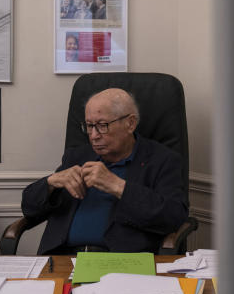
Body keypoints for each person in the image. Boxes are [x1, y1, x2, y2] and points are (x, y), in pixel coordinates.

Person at [21, 88, 188, 254]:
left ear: (130, 123)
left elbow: (173, 217)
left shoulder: (162, 160)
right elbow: (29, 208)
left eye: (102, 125)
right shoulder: (77, 156)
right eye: (89, 126)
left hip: (120, 262)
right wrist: (51, 182)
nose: (93, 135)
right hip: (62, 258)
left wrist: (118, 186)